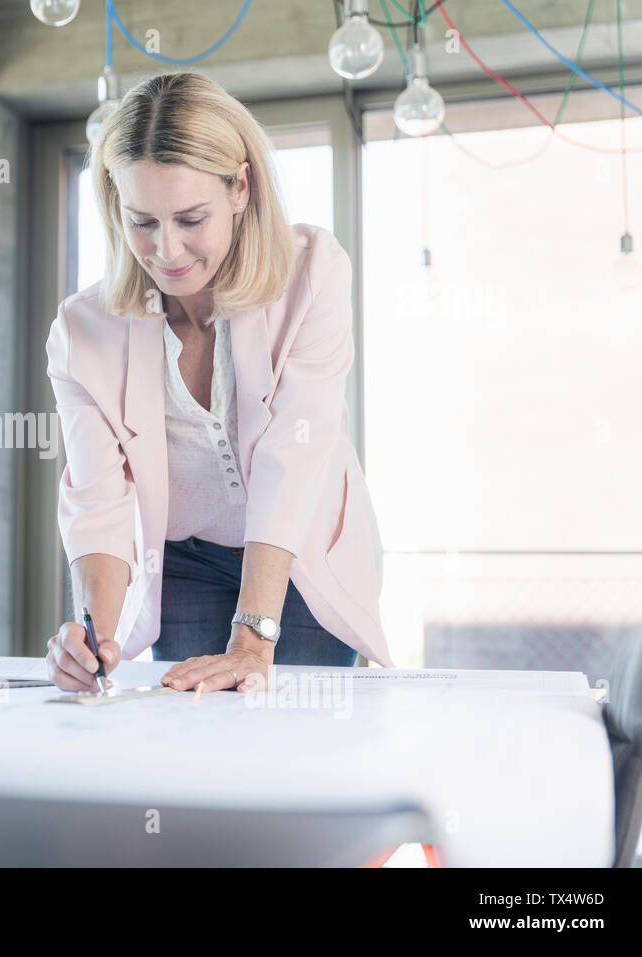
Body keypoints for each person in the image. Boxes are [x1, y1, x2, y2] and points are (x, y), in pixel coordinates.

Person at [44, 71, 393, 695]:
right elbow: (98, 497)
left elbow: (294, 455)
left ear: (240, 186)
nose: (167, 250)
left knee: (297, 745)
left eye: (190, 218)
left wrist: (253, 637)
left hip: (300, 556)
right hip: (186, 561)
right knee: (198, 741)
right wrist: (94, 637)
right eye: (141, 221)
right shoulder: (83, 329)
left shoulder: (313, 272)